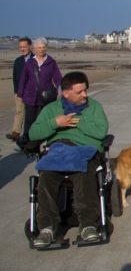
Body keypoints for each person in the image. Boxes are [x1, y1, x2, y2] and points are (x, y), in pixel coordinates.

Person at [29, 71, 109, 248]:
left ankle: (88, 225)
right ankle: (47, 228)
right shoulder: (51, 109)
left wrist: (78, 121)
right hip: (58, 149)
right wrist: (55, 123)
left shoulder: (94, 107)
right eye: (79, 92)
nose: (85, 95)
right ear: (65, 93)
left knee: (83, 173)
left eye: (85, 90)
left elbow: (101, 132)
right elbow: (33, 133)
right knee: (47, 176)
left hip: (85, 149)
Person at [17, 37, 62, 150]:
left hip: (45, 98)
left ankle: (40, 144)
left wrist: (61, 88)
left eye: (43, 47)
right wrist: (20, 93)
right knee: (29, 122)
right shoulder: (30, 62)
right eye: (39, 47)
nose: (41, 49)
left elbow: (57, 77)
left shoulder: (51, 62)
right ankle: (26, 144)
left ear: (46, 48)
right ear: (35, 49)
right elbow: (23, 79)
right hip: (30, 97)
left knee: (43, 121)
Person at [6, 37, 33, 142]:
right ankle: (15, 133)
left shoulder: (36, 59)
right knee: (19, 112)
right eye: (20, 47)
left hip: (32, 92)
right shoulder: (18, 61)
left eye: (24, 47)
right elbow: (15, 77)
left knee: (30, 114)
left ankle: (28, 135)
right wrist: (16, 92)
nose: (22, 49)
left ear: (30, 46)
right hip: (19, 93)